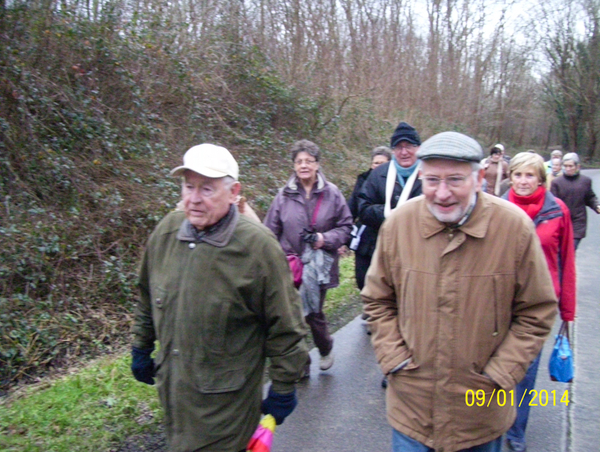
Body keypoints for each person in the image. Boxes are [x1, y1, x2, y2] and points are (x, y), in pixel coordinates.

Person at [362, 131, 558, 452]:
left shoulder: (514, 228)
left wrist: (501, 373)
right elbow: (377, 299)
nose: (442, 193)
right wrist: (393, 358)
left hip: (480, 412)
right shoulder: (399, 225)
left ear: (480, 177)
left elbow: (536, 312)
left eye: (455, 180)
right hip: (412, 410)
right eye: (432, 180)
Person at [131, 144, 309, 452]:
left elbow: (286, 325)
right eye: (189, 186)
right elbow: (148, 295)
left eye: (207, 189)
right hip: (176, 401)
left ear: (233, 192)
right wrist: (141, 345)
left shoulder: (257, 249)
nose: (194, 198)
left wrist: (283, 386)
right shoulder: (166, 233)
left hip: (228, 413)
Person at [502, 152, 576, 452]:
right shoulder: (495, 207)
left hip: (537, 306)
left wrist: (567, 312)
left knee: (525, 373)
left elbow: (566, 261)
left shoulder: (558, 211)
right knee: (491, 368)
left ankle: (516, 430)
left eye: (529, 175)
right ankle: (491, 420)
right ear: (510, 177)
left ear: (541, 179)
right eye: (517, 175)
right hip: (498, 302)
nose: (522, 181)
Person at [264, 139, 352, 377]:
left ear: (317, 164)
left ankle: (325, 347)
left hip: (319, 265)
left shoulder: (332, 194)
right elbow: (269, 231)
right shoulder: (283, 196)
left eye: (308, 161)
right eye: (299, 161)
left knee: (313, 312)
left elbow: (346, 227)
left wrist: (325, 239)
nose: (303, 165)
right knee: (293, 316)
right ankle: (301, 365)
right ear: (293, 166)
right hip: (290, 265)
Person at [357, 121, 423, 388]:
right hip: (383, 251)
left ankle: (413, 360)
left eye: (409, 146)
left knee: (412, 310)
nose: (404, 151)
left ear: (418, 148)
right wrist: (390, 216)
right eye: (399, 146)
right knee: (386, 310)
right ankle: (391, 364)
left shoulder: (428, 174)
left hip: (418, 254)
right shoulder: (380, 174)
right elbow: (363, 207)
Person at [347, 146, 392, 290]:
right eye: (376, 163)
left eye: (382, 163)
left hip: (386, 236)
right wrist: (344, 236)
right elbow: (352, 208)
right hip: (364, 238)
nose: (378, 166)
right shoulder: (363, 180)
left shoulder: (394, 182)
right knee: (362, 278)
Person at [550, 152, 600, 250]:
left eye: (571, 166)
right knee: (561, 252)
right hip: (562, 221)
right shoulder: (557, 183)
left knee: (571, 249)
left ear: (578, 166)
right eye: (565, 166)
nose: (568, 169)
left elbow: (590, 197)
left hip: (578, 222)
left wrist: (597, 205)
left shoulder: (585, 181)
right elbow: (552, 203)